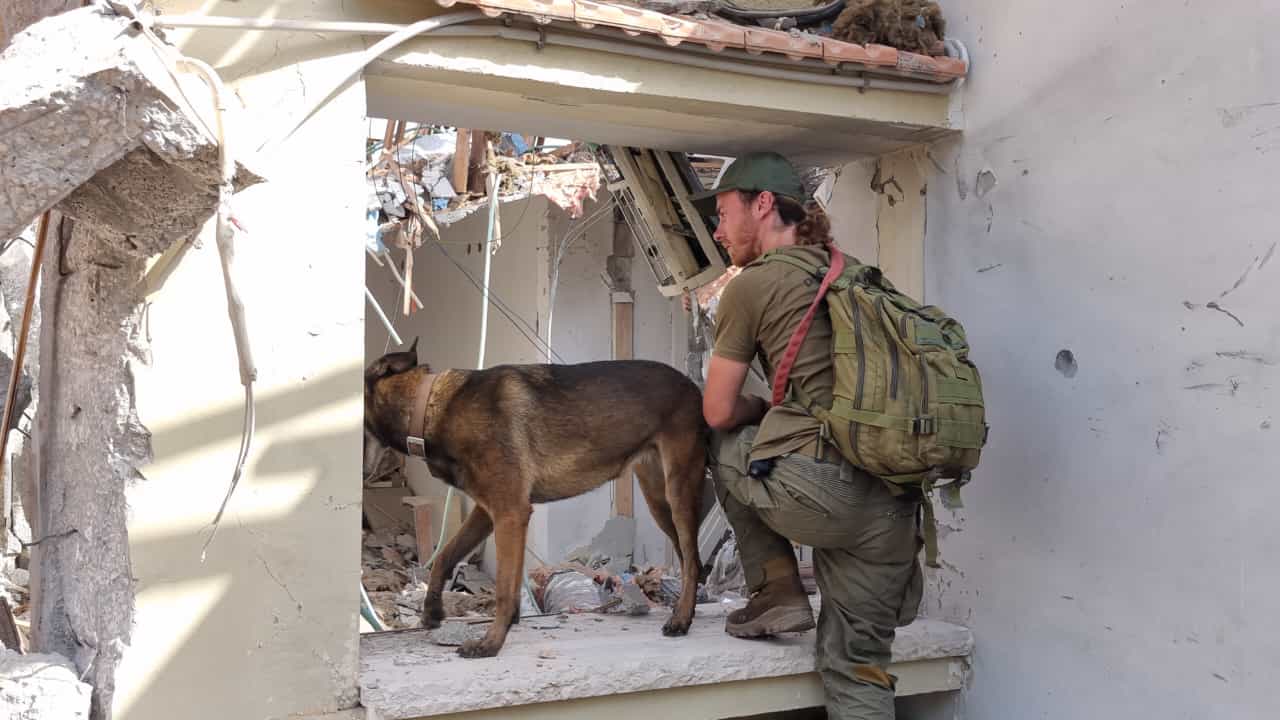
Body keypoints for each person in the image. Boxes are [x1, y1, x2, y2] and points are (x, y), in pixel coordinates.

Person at [690, 152, 924, 720]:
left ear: (763, 204)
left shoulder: (753, 286)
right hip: (894, 499)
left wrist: (763, 408)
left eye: (723, 213)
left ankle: (777, 591)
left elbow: (718, 410)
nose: (718, 233)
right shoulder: (857, 275)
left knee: (718, 441)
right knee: (860, 669)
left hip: (821, 490)